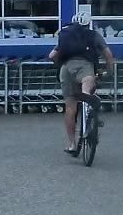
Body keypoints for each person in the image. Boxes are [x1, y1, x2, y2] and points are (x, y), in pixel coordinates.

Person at [48, 9, 114, 157]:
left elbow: (52, 55)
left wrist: (60, 64)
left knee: (70, 107)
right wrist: (109, 72)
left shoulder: (66, 35)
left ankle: (72, 144)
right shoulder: (94, 36)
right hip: (85, 66)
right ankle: (86, 96)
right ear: (89, 23)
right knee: (88, 80)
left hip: (66, 69)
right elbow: (109, 56)